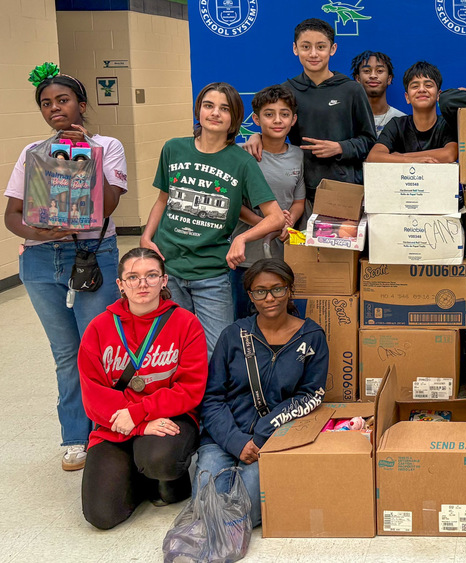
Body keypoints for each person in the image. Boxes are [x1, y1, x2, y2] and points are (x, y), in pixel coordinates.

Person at [4, 64, 128, 471]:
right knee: (65, 353)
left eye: (62, 100)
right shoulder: (33, 153)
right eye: (46, 104)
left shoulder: (107, 146)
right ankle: (76, 437)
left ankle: (105, 431)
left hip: (92, 254)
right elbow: (14, 214)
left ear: (81, 105)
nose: (55, 108)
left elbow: (108, 205)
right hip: (41, 260)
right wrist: (38, 234)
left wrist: (85, 156)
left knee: (97, 348)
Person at [140, 82, 284, 358]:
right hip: (168, 268)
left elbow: (275, 218)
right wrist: (147, 237)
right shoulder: (173, 148)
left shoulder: (241, 163)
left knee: (216, 353)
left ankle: (212, 403)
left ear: (234, 118)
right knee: (171, 350)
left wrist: (241, 237)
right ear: (198, 110)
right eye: (209, 106)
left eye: (224, 108)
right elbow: (163, 199)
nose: (215, 113)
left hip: (211, 274)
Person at [77, 248, 207, 529]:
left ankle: (162, 475)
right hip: (115, 423)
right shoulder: (99, 328)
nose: (142, 283)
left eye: (151, 275)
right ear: (120, 285)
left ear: (164, 281)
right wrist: (137, 426)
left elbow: (191, 389)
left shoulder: (186, 323)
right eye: (133, 277)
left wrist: (140, 412)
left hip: (169, 418)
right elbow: (92, 395)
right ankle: (137, 472)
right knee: (101, 516)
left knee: (160, 461)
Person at [198, 258, 328, 528]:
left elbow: (311, 394)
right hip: (224, 435)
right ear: (250, 296)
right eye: (260, 291)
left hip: (273, 437)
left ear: (289, 290)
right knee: (206, 503)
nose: (270, 297)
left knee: (248, 509)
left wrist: (263, 433)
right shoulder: (233, 335)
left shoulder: (312, 336)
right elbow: (212, 398)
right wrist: (236, 441)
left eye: (277, 289)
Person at [244, 18, 376, 199]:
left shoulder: (351, 89)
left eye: (320, 47)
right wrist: (257, 136)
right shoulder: (286, 91)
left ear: (333, 49)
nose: (313, 54)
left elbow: (369, 140)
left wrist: (340, 147)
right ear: (295, 49)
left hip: (344, 187)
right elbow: (277, 127)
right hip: (298, 189)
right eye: (306, 47)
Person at [232, 85, 306, 318]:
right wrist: (270, 224)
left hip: (284, 253)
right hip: (247, 256)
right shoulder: (241, 154)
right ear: (255, 118)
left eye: (284, 114)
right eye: (269, 114)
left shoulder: (298, 155)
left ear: (293, 119)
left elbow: (298, 201)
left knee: (282, 318)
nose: (277, 120)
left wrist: (289, 222)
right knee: (246, 318)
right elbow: (235, 206)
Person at [366, 61, 458, 164]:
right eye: (415, 86)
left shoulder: (447, 124)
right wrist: (411, 160)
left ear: (438, 95)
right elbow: (373, 157)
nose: (422, 89)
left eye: (428, 85)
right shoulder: (396, 125)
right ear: (407, 97)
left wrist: (401, 157)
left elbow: (450, 153)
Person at [351, 50, 405, 136]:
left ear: (389, 79)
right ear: (358, 78)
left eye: (379, 71)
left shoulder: (402, 121)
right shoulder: (347, 119)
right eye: (366, 71)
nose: (373, 75)